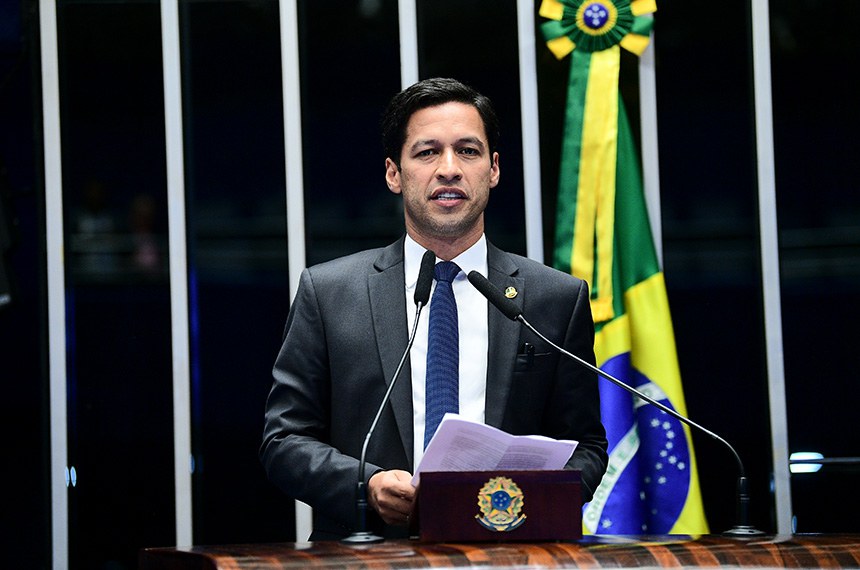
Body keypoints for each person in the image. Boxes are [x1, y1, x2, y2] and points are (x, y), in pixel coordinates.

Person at [260, 77, 608, 540]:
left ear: (494, 169)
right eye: (427, 152)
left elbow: (587, 445)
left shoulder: (554, 298)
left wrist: (523, 505)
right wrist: (366, 484)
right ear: (394, 173)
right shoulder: (329, 293)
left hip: (510, 553)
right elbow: (283, 440)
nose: (449, 169)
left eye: (468, 150)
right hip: (366, 556)